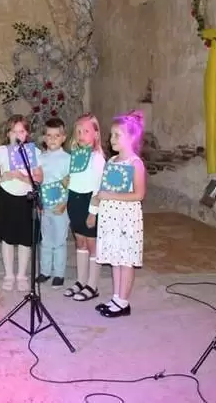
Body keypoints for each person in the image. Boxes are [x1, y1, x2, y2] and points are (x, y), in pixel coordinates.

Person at [94, 111, 146, 318]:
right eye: (111, 135)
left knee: (126, 260)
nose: (112, 139)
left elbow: (139, 194)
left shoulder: (135, 163)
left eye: (117, 135)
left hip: (126, 218)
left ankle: (124, 302)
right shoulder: (112, 160)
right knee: (115, 258)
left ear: (131, 138)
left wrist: (110, 195)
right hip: (111, 218)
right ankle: (116, 297)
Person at [0, 114, 44, 292]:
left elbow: (39, 177)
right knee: (8, 238)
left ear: (27, 134)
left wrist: (22, 177)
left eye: (21, 131)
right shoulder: (0, 151)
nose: (17, 135)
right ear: (7, 133)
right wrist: (4, 176)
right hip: (6, 197)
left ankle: (22, 275)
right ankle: (9, 274)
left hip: (26, 197)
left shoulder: (33, 152)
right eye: (13, 131)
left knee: (26, 239)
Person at [62, 113, 107, 302]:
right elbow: (74, 179)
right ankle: (81, 281)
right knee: (80, 242)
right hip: (75, 200)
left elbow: (98, 187)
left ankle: (92, 285)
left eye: (86, 131)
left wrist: (93, 212)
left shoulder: (97, 158)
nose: (81, 135)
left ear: (96, 134)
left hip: (90, 202)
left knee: (91, 244)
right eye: (78, 131)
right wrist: (66, 183)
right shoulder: (75, 156)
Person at [36, 118, 71, 289]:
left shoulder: (67, 159)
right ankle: (45, 271)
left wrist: (65, 203)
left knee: (59, 240)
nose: (52, 139)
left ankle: (59, 273)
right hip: (45, 205)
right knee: (45, 239)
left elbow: (70, 183)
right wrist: (39, 202)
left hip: (60, 206)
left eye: (56, 136)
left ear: (63, 138)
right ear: (44, 138)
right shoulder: (40, 158)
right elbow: (38, 182)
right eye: (49, 135)